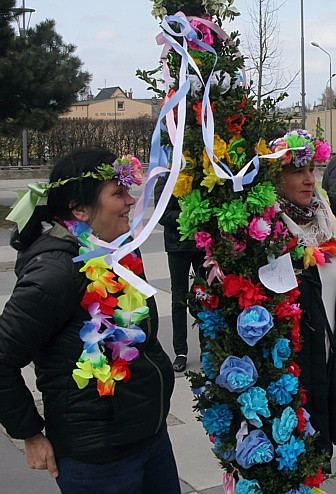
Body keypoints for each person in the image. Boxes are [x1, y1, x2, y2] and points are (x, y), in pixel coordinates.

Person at [0, 147, 178, 493]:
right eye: (118, 193)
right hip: (97, 461)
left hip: (151, 439)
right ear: (79, 210)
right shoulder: (55, 273)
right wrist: (30, 434)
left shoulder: (117, 250)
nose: (131, 201)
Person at [272, 129, 336, 459]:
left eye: (311, 169)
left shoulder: (325, 222)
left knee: (319, 458)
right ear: (275, 179)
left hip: (328, 361)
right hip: (289, 373)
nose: (309, 180)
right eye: (297, 172)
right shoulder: (268, 234)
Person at [155, 174, 206, 373]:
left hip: (201, 245)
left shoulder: (201, 172)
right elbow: (163, 215)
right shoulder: (166, 178)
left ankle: (206, 348)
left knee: (204, 296)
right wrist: (190, 213)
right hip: (177, 246)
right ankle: (181, 352)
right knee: (179, 298)